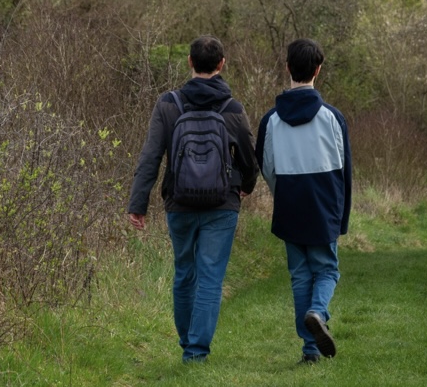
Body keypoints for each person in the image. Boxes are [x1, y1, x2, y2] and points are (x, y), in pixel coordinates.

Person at [127, 35, 257, 363]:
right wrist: (246, 185)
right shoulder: (232, 108)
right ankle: (196, 352)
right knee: (210, 276)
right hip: (222, 205)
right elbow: (248, 157)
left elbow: (151, 156)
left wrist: (137, 204)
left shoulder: (168, 104)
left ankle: (188, 342)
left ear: (189, 62)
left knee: (184, 271)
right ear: (221, 64)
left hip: (179, 204)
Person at [255, 38, 352, 364]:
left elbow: (266, 166)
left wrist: (281, 193)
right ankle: (317, 311)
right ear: (318, 70)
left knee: (300, 274)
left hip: (290, 204)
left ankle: (310, 350)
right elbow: (344, 170)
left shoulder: (271, 120)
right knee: (326, 270)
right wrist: (342, 215)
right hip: (324, 204)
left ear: (287, 68)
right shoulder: (333, 118)